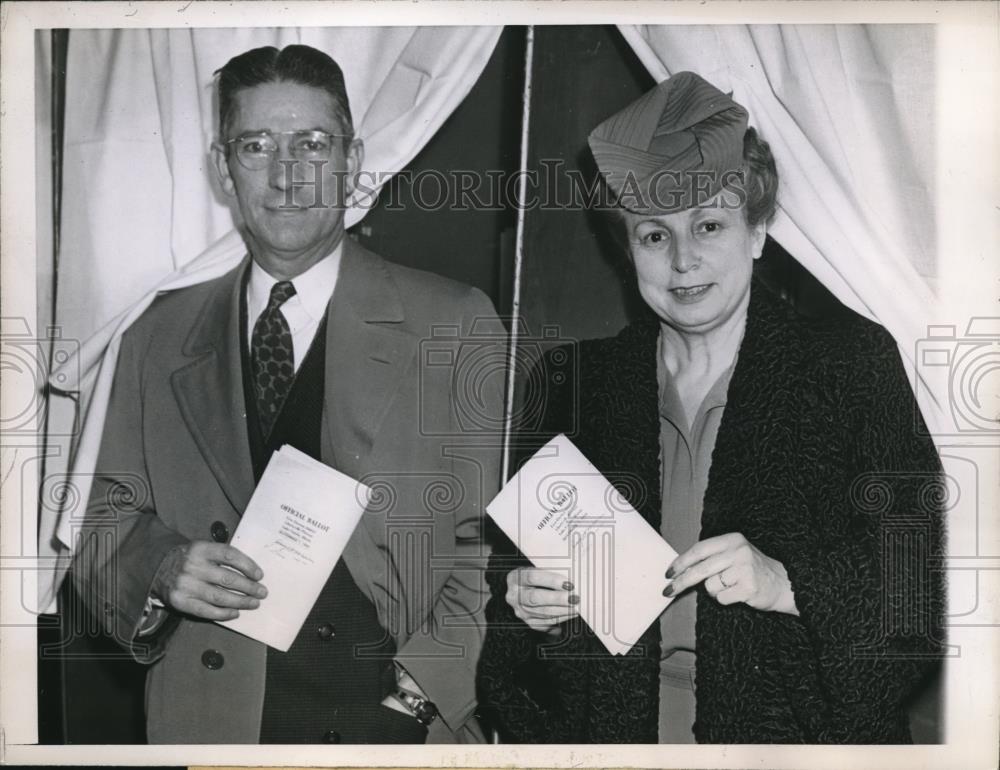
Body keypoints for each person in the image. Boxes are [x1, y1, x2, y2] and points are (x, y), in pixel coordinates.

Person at [476, 71, 944, 743]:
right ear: (627, 250)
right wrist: (527, 605)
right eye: (654, 235)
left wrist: (786, 585)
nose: (684, 260)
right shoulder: (571, 383)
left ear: (756, 232)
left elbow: (919, 599)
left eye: (710, 224)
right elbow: (513, 612)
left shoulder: (850, 368)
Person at [72, 44, 502, 745]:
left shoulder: (452, 323)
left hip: (390, 727)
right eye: (256, 145)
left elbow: (487, 546)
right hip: (209, 726)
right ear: (223, 169)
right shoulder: (153, 336)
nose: (286, 174)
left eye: (312, 144)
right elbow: (97, 521)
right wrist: (160, 566)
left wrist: (418, 699)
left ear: (351, 160)